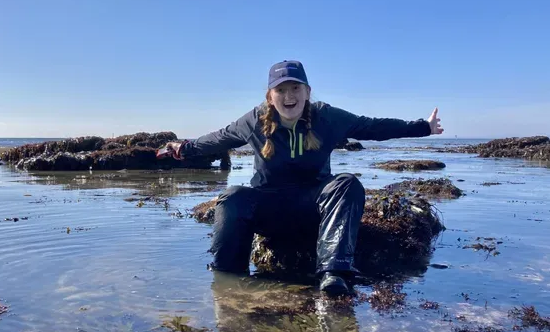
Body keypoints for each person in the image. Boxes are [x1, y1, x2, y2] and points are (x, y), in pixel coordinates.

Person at [162, 60, 443, 294]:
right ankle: (227, 276)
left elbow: (372, 126)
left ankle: (334, 273)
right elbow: (218, 139)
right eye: (281, 89)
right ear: (270, 95)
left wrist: (422, 127)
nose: (289, 96)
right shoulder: (254, 121)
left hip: (315, 212)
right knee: (233, 196)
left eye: (295, 88)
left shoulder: (327, 117)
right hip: (269, 212)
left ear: (307, 91)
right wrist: (182, 149)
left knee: (347, 183)